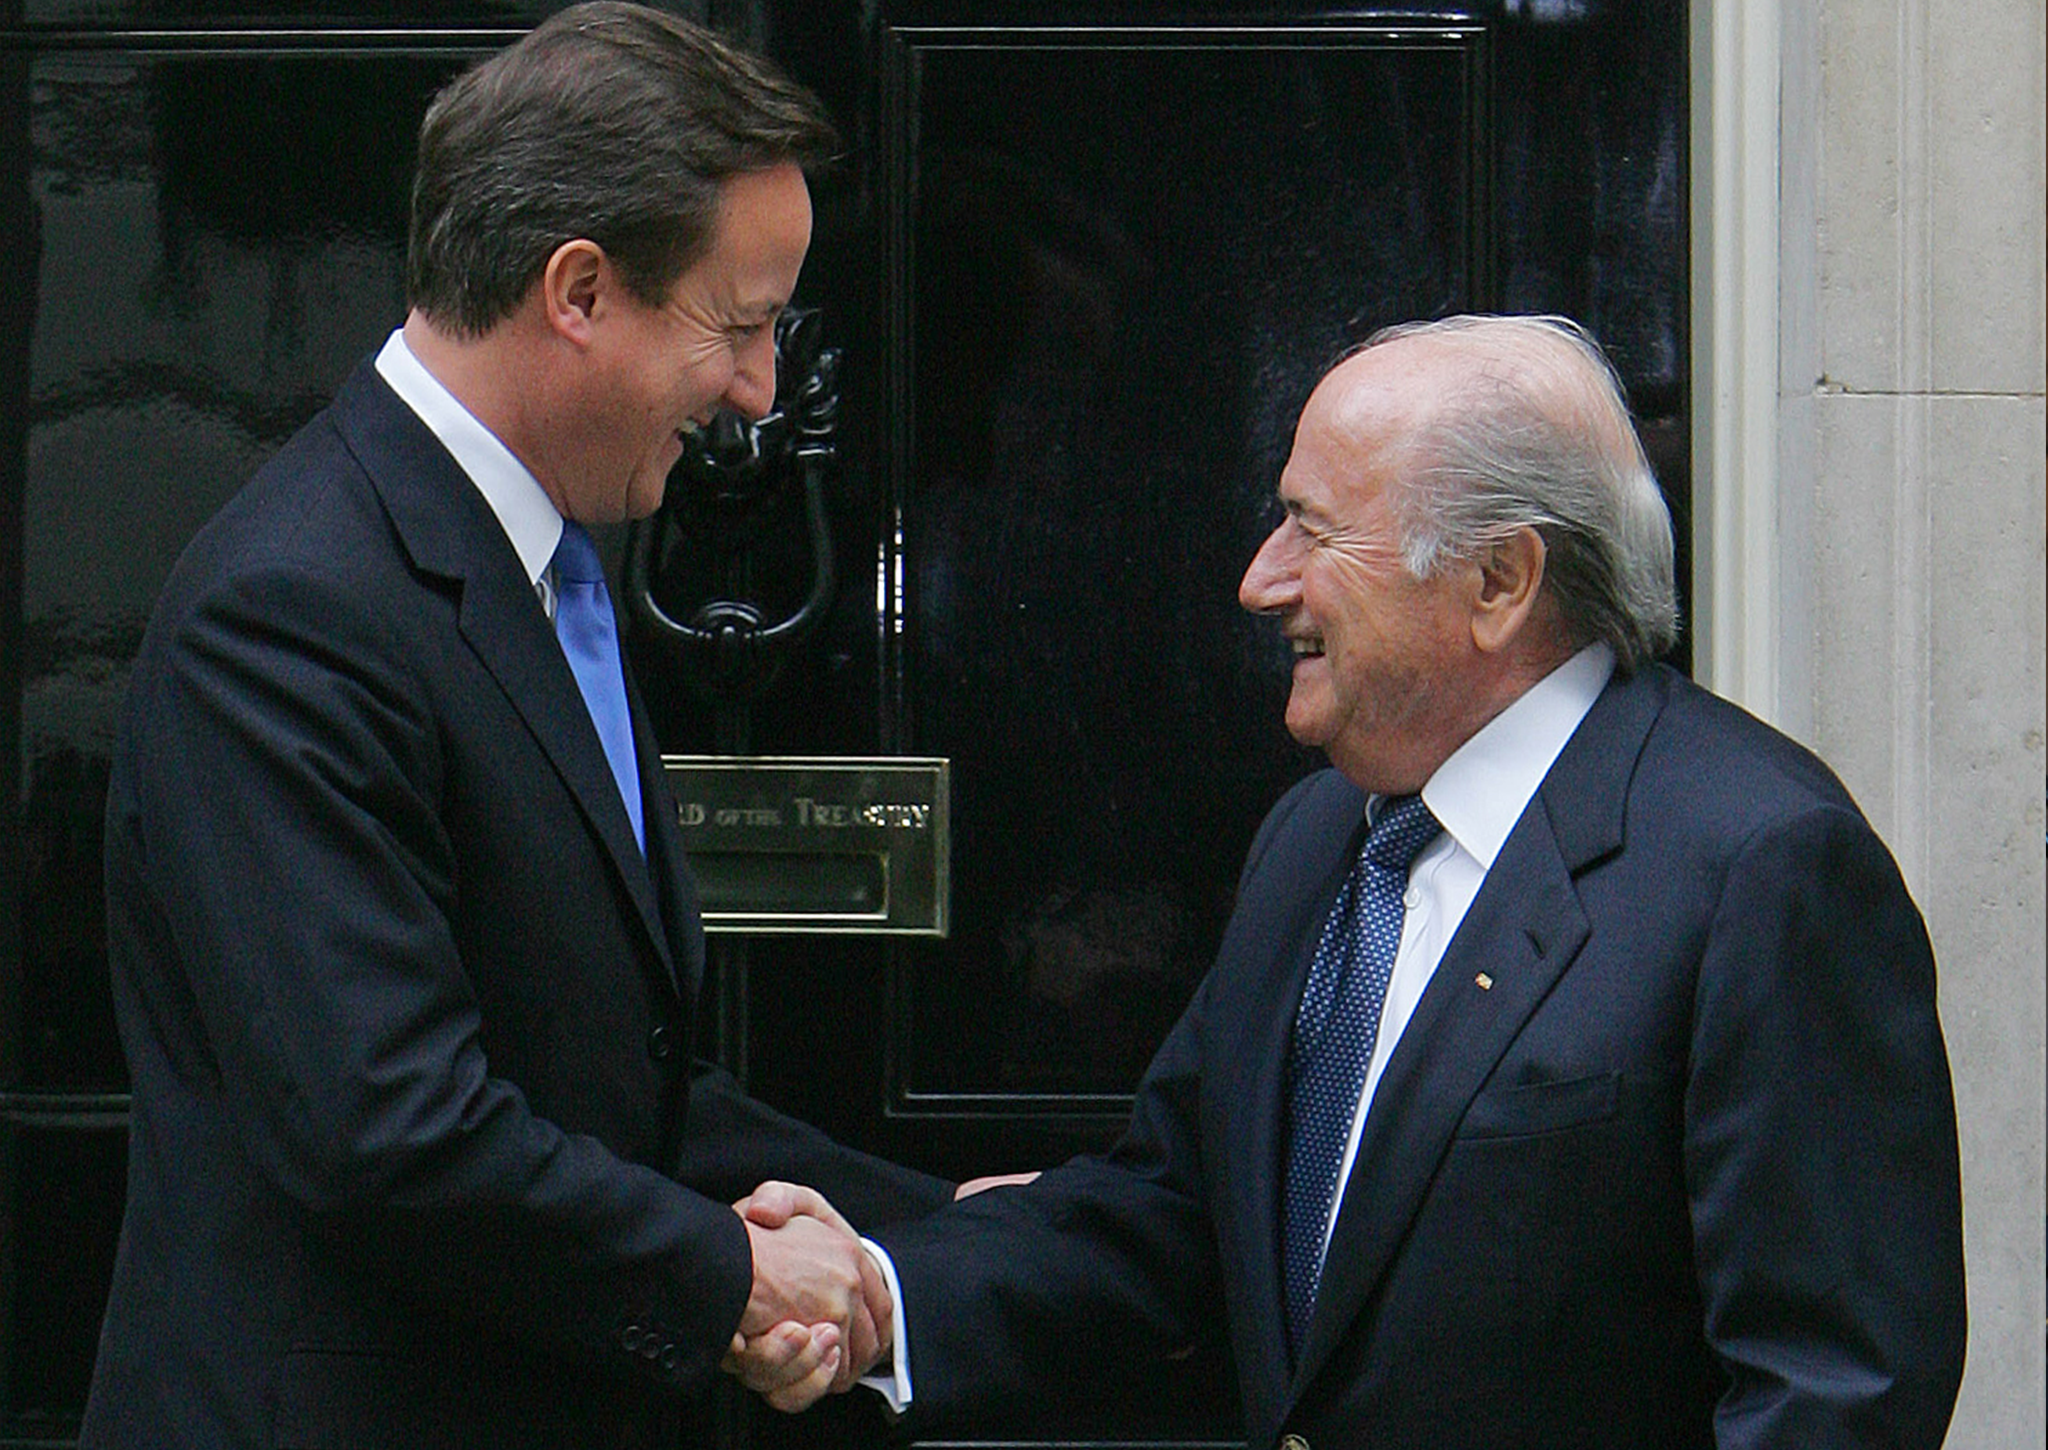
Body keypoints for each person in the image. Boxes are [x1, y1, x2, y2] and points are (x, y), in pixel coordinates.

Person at [741, 313, 1969, 1447]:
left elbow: (1832, 1392)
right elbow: (1169, 1213)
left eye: (1311, 529)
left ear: (1499, 582)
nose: (1259, 579)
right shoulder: (1315, 838)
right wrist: (884, 1294)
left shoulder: (1757, 866)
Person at [80, 6, 940, 1446]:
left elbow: (610, 1082)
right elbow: (392, 1135)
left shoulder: (543, 565)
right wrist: (735, 1275)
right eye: (738, 325)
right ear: (580, 290)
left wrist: (935, 1228)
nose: (760, 395)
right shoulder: (294, 611)